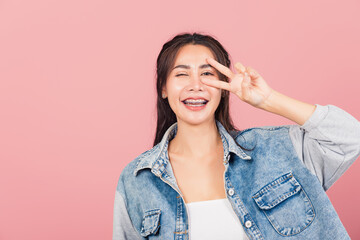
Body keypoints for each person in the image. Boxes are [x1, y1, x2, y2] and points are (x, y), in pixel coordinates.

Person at [112, 32, 360, 240]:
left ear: (224, 87)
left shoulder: (277, 149)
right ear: (164, 88)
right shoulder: (137, 179)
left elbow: (350, 137)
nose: (195, 85)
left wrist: (269, 100)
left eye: (207, 74)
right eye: (182, 74)